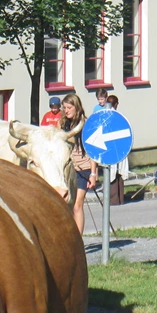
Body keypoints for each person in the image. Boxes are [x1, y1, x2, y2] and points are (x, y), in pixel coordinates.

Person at [62, 93, 95, 233]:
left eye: (69, 107)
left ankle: (79, 240)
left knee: (77, 205)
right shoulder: (62, 124)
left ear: (77, 107)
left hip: (84, 169)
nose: (66, 110)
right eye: (64, 108)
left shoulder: (86, 124)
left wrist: (93, 173)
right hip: (68, 168)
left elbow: (92, 150)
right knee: (66, 204)